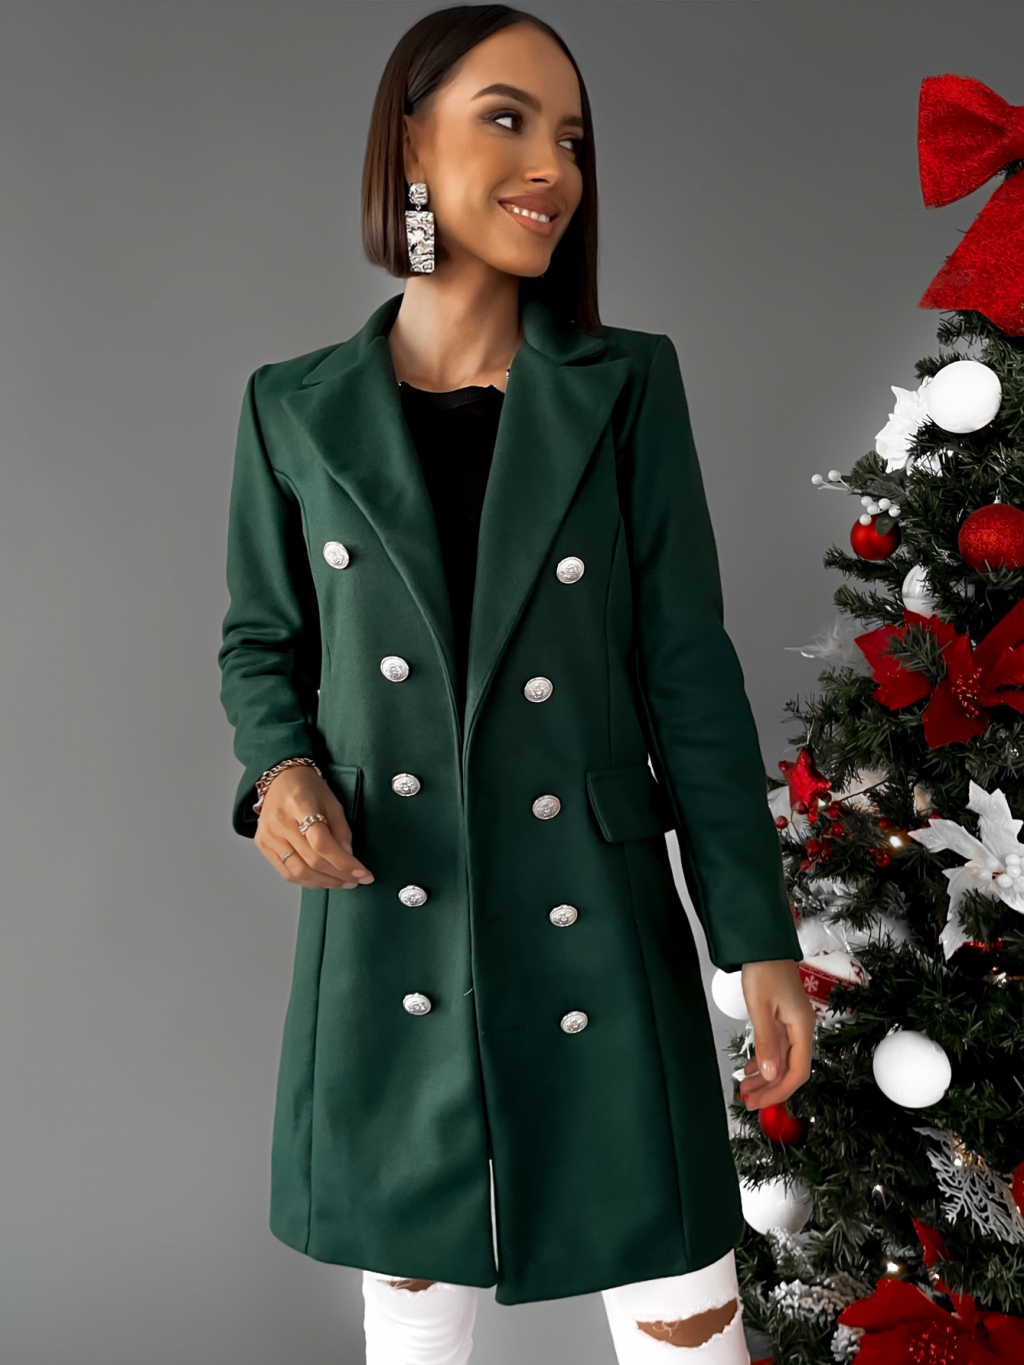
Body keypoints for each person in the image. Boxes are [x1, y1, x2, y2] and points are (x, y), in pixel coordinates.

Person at [217, 6, 817, 1362]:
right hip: (394, 921)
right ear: (409, 147)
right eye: (508, 119)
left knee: (680, 1305)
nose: (554, 165)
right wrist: (280, 768)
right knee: (413, 1311)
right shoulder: (290, 406)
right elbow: (261, 643)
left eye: (575, 139)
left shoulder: (628, 384)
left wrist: (755, 937)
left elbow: (688, 674)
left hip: (596, 920)